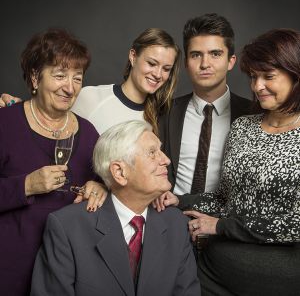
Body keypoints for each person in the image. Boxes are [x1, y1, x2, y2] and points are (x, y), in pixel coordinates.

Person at [155, 28, 300, 295]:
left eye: (268, 76)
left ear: (295, 75)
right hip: (214, 271)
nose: (257, 86)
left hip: (277, 277)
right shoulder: (244, 126)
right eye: (253, 77)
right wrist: (183, 201)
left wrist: (221, 226)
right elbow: (226, 199)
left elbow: (293, 223)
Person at [30, 120, 200, 296]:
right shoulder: (67, 227)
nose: (166, 160)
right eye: (152, 153)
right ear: (119, 172)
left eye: (161, 151)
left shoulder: (176, 224)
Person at [0, 28, 105, 296]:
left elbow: (107, 185)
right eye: (59, 76)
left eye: (77, 78)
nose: (69, 88)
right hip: (10, 267)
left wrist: (101, 188)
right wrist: (25, 185)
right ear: (35, 77)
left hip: (67, 271)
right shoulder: (5, 123)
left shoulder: (89, 131)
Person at [1, 28, 181, 136]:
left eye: (166, 69)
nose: (158, 74)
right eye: (151, 63)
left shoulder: (162, 116)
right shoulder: (91, 97)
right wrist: (15, 108)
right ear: (133, 56)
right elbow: (47, 120)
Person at [159, 13, 252, 195]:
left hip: (223, 220)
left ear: (231, 61)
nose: (205, 64)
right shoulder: (165, 111)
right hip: (171, 216)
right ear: (186, 62)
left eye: (215, 54)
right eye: (196, 55)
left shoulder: (252, 115)